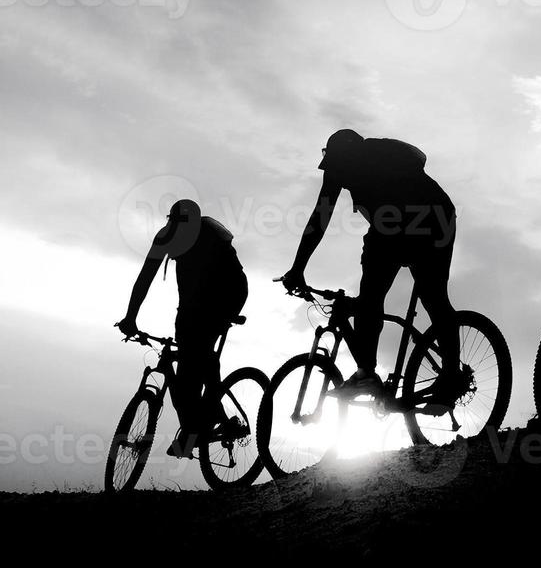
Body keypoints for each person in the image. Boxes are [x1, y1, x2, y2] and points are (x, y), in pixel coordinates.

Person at [279, 130, 462, 407]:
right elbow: (320, 215)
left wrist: (402, 250)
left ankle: (451, 374)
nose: (337, 175)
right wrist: (298, 267)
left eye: (339, 168)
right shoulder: (339, 169)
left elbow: (404, 215)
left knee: (432, 294)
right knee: (370, 296)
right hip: (388, 228)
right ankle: (366, 373)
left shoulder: (381, 163)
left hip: (432, 219)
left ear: (352, 159)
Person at [117, 199, 248, 456]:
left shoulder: (210, 237)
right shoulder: (165, 237)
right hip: (193, 300)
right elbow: (145, 278)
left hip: (228, 291)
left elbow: (208, 292)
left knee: (195, 356)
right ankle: (198, 421)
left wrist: (211, 324)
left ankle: (199, 424)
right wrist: (130, 317)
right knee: (191, 351)